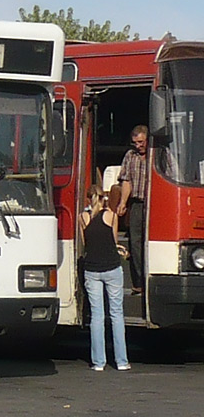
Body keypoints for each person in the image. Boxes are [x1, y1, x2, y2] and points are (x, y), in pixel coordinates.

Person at [81, 184, 130, 371]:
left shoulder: (82, 218)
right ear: (103, 199)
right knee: (116, 314)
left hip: (92, 270)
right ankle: (122, 361)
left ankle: (98, 362)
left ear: (89, 199)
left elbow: (87, 244)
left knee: (97, 316)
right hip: (111, 268)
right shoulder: (111, 216)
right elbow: (113, 241)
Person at [117, 125, 149, 295]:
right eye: (135, 143)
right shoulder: (130, 156)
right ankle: (139, 282)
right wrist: (123, 202)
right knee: (135, 243)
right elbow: (126, 180)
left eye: (141, 142)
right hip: (136, 204)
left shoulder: (159, 155)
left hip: (155, 204)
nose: (138, 146)